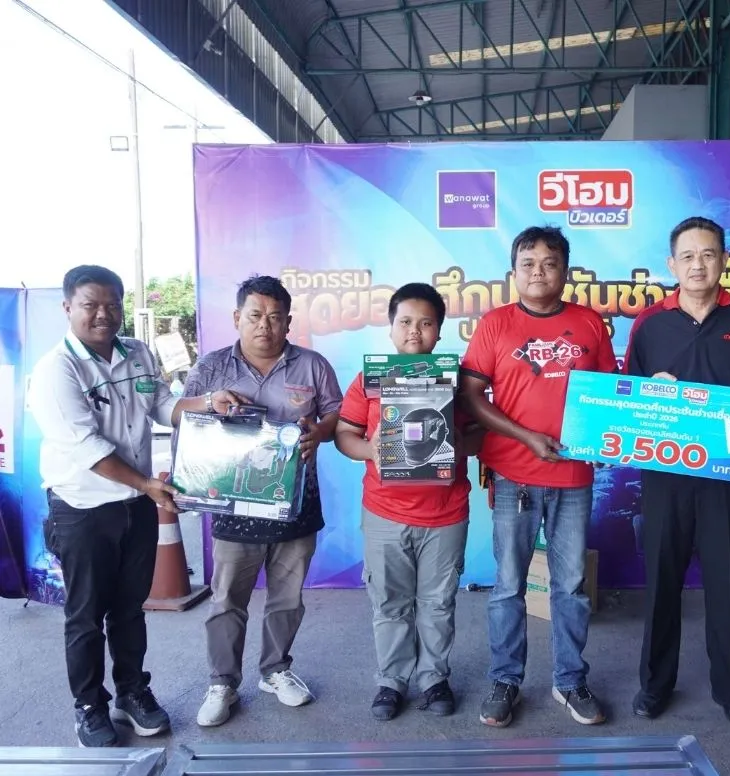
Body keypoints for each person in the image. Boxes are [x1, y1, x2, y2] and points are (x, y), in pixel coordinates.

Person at [28, 265, 245, 748]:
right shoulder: (56, 370)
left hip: (136, 505)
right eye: (91, 305)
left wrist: (209, 402)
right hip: (82, 509)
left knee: (130, 609)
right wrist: (148, 484)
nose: (103, 314)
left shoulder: (138, 353)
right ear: (68, 307)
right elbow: (87, 450)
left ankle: (131, 692)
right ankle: (89, 705)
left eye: (112, 304)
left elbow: (164, 406)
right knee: (86, 615)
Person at [624, 216, 730, 730]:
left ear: (724, 261)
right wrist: (651, 390)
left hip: (726, 475)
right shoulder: (649, 324)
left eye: (709, 254)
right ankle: (654, 686)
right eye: (688, 256)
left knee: (725, 582)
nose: (698, 265)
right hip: (664, 476)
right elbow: (626, 402)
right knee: (661, 582)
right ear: (672, 265)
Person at [459, 225, 617, 729]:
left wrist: (613, 436)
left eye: (550, 263)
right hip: (513, 475)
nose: (539, 272)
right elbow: (471, 397)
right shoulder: (495, 325)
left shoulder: (589, 323)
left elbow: (609, 393)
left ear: (566, 271)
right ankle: (505, 680)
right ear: (514, 272)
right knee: (509, 585)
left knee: (570, 586)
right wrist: (526, 437)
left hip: (574, 475)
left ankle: (570, 681)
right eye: (528, 264)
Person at [185, 275, 342, 728]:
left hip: (296, 502)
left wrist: (319, 432)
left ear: (289, 321)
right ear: (238, 317)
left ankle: (276, 670)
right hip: (233, 504)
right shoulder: (212, 367)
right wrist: (208, 407)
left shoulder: (312, 365)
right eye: (255, 315)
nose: (265, 326)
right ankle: (222, 682)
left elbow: (337, 413)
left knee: (287, 598)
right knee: (227, 599)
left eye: (275, 317)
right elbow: (184, 416)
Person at [334, 283, 483, 720]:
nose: (414, 331)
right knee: (389, 602)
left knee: (438, 602)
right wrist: (371, 450)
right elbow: (344, 434)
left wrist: (462, 443)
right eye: (405, 322)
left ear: (439, 330)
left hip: (446, 513)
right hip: (384, 511)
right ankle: (392, 681)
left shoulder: (458, 381)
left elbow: (481, 432)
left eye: (426, 323)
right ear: (391, 328)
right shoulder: (370, 380)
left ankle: (434, 678)